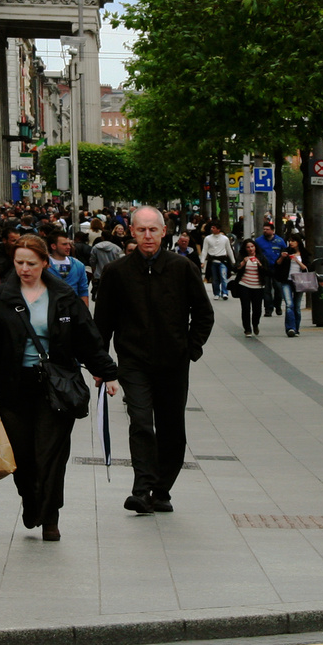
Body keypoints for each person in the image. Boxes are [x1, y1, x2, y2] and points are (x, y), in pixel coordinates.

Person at [0, 235, 118, 541]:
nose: (24, 269)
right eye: (19, 263)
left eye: (31, 263)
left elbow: (87, 338)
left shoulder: (63, 296)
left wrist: (107, 373)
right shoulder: (0, 298)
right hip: (13, 386)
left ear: (44, 263)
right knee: (22, 456)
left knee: (49, 455)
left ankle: (50, 517)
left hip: (55, 387)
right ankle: (31, 499)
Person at [94, 205, 213, 514]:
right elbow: (103, 321)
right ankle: (141, 487)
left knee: (172, 429)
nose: (148, 236)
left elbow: (203, 313)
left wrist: (191, 348)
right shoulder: (117, 272)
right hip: (133, 362)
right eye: (141, 230)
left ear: (164, 232)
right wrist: (101, 365)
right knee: (141, 421)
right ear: (131, 232)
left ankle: (161, 490)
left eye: (153, 230)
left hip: (174, 362)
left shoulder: (182, 268)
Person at [45, 227, 90, 310]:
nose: (69, 247)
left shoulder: (78, 265)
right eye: (64, 244)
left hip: (73, 310)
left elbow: (83, 290)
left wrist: (85, 313)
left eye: (69, 244)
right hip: (51, 310)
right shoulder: (44, 266)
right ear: (53, 246)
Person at [275, 235, 311, 336]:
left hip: (300, 281)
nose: (291, 243)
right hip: (287, 280)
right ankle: (290, 328)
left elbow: (306, 268)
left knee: (297, 306)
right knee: (289, 305)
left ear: (298, 242)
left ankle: (296, 328)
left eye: (293, 241)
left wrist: (297, 260)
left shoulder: (304, 253)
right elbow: (277, 264)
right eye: (290, 241)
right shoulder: (285, 251)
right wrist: (282, 257)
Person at [230, 240, 268, 336]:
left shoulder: (261, 257)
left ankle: (255, 324)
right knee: (246, 308)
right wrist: (243, 262)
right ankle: (247, 329)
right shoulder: (242, 257)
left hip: (258, 286)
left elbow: (266, 272)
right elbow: (235, 268)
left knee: (257, 309)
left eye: (252, 246)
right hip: (244, 285)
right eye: (248, 247)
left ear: (255, 247)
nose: (250, 249)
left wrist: (259, 264)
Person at [252, 220, 286, 316]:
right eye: (264, 229)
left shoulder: (279, 241)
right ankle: (268, 309)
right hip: (265, 269)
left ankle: (278, 306)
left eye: (267, 229)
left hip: (277, 268)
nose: (265, 231)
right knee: (266, 290)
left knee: (278, 289)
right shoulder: (258, 241)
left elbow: (284, 252)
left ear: (273, 231)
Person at [200, 221, 233, 301]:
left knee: (223, 276)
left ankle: (225, 292)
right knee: (215, 278)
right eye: (212, 227)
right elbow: (204, 250)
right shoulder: (208, 238)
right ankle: (216, 293)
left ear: (218, 229)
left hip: (222, 260)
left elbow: (229, 249)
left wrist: (233, 260)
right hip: (213, 260)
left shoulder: (225, 239)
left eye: (213, 228)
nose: (212, 229)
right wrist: (202, 261)